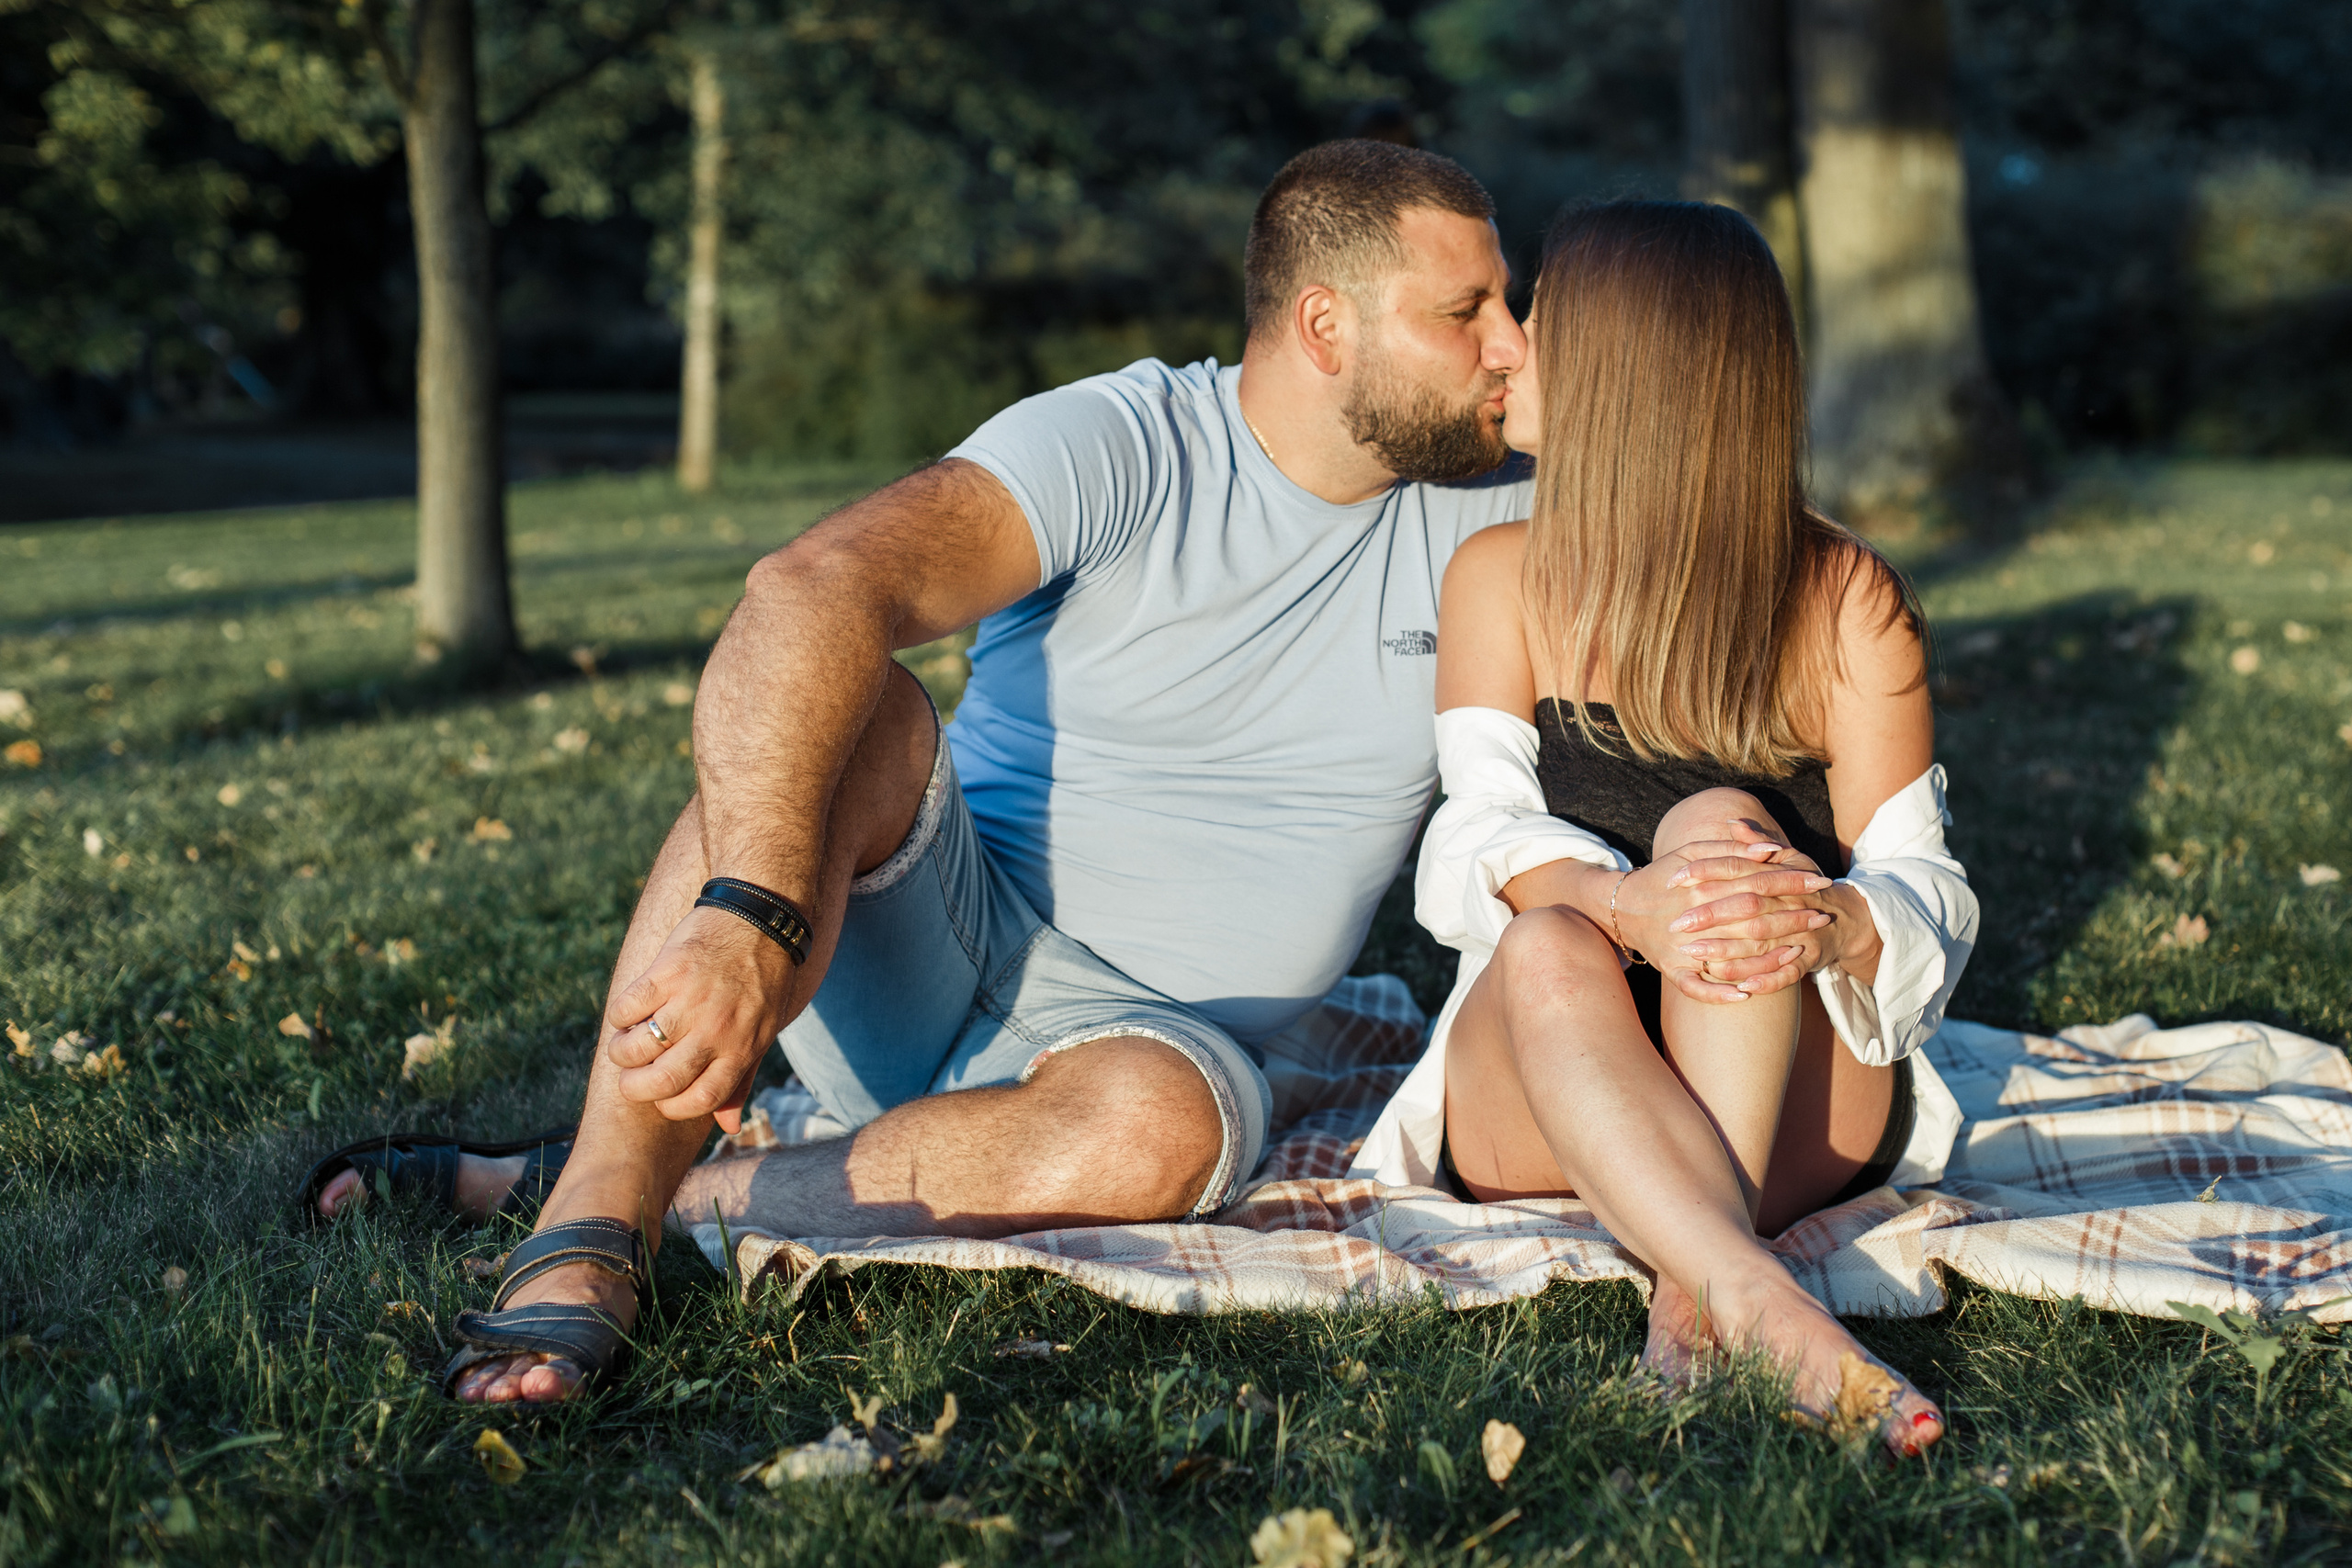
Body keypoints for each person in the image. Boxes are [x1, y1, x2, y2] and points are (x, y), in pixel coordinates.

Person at [304, 139, 1722, 1407]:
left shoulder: (1508, 515)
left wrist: (1585, 424)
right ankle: (594, 1219)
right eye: (1468, 311)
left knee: (1167, 1135)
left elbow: (1753, 551)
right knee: (858, 706)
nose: (1510, 344)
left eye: (1514, 307)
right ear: (1326, 326)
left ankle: (659, 1196)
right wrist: (748, 912)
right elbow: (811, 586)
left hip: (1140, 1057)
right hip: (921, 936)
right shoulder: (1124, 443)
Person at [1352, 200, 1979, 1458]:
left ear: (1625, 370)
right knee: (1544, 939)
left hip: (1796, 1101)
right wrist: (1624, 906)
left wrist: (1839, 919)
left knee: (1719, 827)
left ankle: (1695, 1296)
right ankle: (1749, 1290)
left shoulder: (1845, 598)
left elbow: (1931, 894)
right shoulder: (1500, 577)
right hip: (1548, 1079)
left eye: (1537, 319)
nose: (1507, 347)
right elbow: (1467, 847)